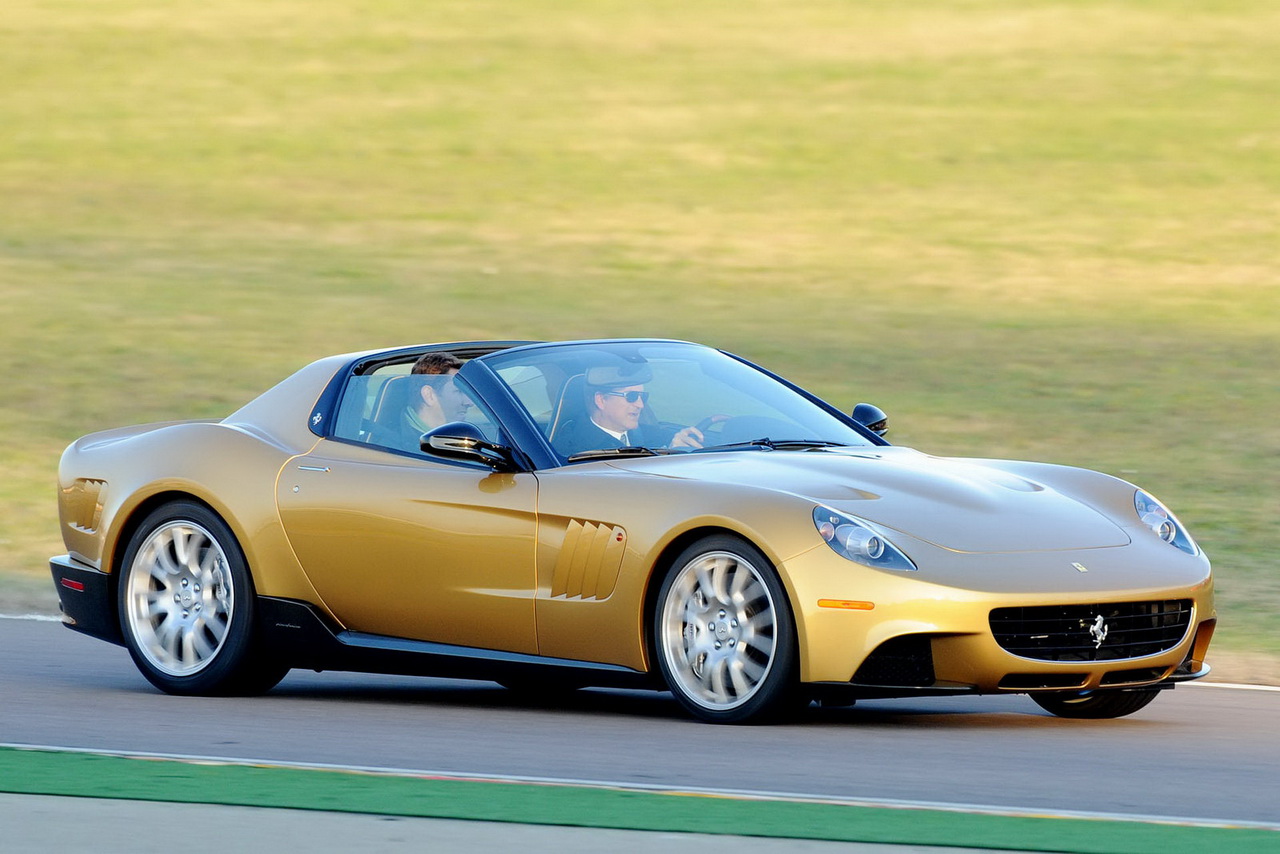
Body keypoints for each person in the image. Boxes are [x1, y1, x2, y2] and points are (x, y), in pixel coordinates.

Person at [552, 363, 703, 457]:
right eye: (631, 396)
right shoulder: (571, 450)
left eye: (642, 396)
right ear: (601, 400)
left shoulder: (653, 435)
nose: (640, 405)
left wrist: (675, 449)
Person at [379, 352, 474, 452]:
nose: (469, 402)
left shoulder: (459, 435)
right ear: (429, 395)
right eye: (458, 391)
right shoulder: (392, 449)